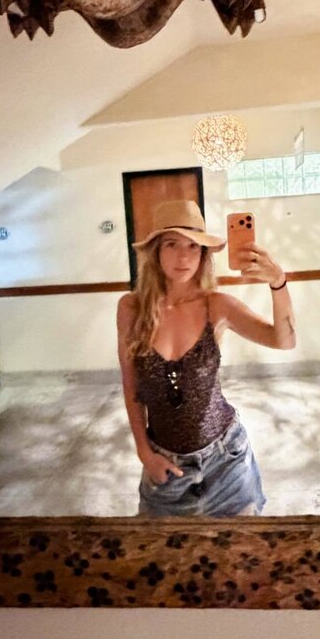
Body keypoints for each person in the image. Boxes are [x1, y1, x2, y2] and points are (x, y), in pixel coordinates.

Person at [116, 199, 295, 517]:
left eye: (193, 246)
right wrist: (144, 452)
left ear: (203, 254)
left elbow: (284, 340)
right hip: (165, 465)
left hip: (227, 460)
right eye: (172, 244)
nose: (183, 256)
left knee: (242, 546)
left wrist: (277, 282)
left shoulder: (217, 306)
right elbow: (131, 386)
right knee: (159, 547)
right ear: (156, 251)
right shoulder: (131, 309)